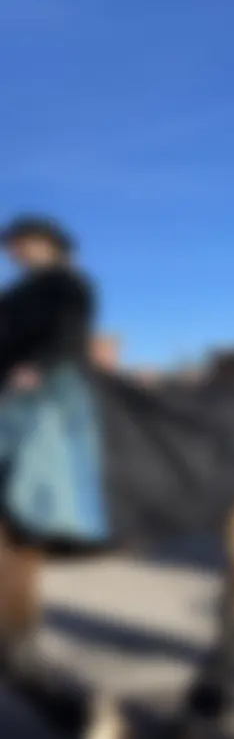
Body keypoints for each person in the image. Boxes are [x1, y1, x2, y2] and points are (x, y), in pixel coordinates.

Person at [0, 215, 109, 546]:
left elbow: (69, 331)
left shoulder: (68, 283)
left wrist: (37, 366)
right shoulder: (19, 289)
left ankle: (51, 516)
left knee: (36, 436)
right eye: (12, 249)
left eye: (22, 245)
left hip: (51, 374)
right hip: (9, 374)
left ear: (47, 245)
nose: (16, 254)